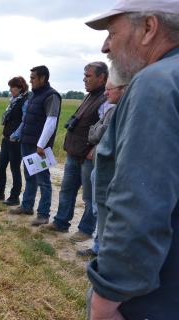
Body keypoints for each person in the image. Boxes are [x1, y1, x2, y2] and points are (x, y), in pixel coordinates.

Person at [85, 1, 179, 319]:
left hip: (151, 297)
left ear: (149, 28)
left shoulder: (156, 83)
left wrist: (107, 296)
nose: (105, 45)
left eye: (112, 32)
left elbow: (139, 203)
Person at [43, 62, 108, 241]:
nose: (84, 79)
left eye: (88, 76)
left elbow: (108, 128)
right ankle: (61, 222)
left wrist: (95, 149)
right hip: (74, 152)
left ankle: (86, 230)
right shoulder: (90, 96)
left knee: (89, 197)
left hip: (88, 155)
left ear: (102, 77)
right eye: (84, 75)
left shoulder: (106, 98)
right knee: (67, 189)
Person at [76, 69, 128, 258]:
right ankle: (99, 247)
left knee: (106, 210)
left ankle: (104, 251)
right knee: (99, 208)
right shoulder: (113, 110)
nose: (106, 93)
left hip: (111, 169)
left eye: (109, 89)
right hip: (101, 167)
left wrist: (100, 130)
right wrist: (99, 130)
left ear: (123, 89)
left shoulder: (123, 113)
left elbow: (100, 133)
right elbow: (94, 133)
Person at [8, 66, 62, 227]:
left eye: (33, 78)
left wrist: (41, 144)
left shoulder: (52, 96)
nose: (30, 80)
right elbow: (26, 119)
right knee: (29, 175)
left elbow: (51, 121)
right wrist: (19, 135)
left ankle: (43, 214)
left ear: (43, 78)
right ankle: (27, 206)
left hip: (38, 146)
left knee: (43, 179)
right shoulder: (34, 95)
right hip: (27, 141)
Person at [0, 76, 29, 206]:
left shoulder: (25, 101)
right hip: (6, 138)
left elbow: (25, 121)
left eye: (13, 87)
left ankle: (14, 196)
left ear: (20, 88)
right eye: (10, 87)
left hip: (16, 141)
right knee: (1, 166)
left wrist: (16, 135)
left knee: (14, 168)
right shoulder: (13, 100)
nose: (10, 90)